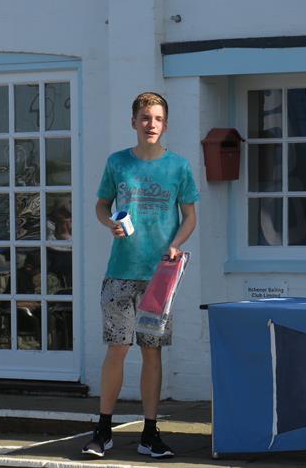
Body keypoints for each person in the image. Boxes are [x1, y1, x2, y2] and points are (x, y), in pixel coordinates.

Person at [82, 91, 200, 459]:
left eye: (158, 119)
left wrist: (176, 243)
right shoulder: (118, 163)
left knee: (152, 353)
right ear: (133, 122)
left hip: (159, 277)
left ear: (166, 125)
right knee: (117, 348)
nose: (151, 124)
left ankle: (150, 433)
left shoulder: (178, 166)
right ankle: (103, 430)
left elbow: (190, 216)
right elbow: (102, 205)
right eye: (145, 118)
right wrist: (108, 224)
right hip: (120, 272)